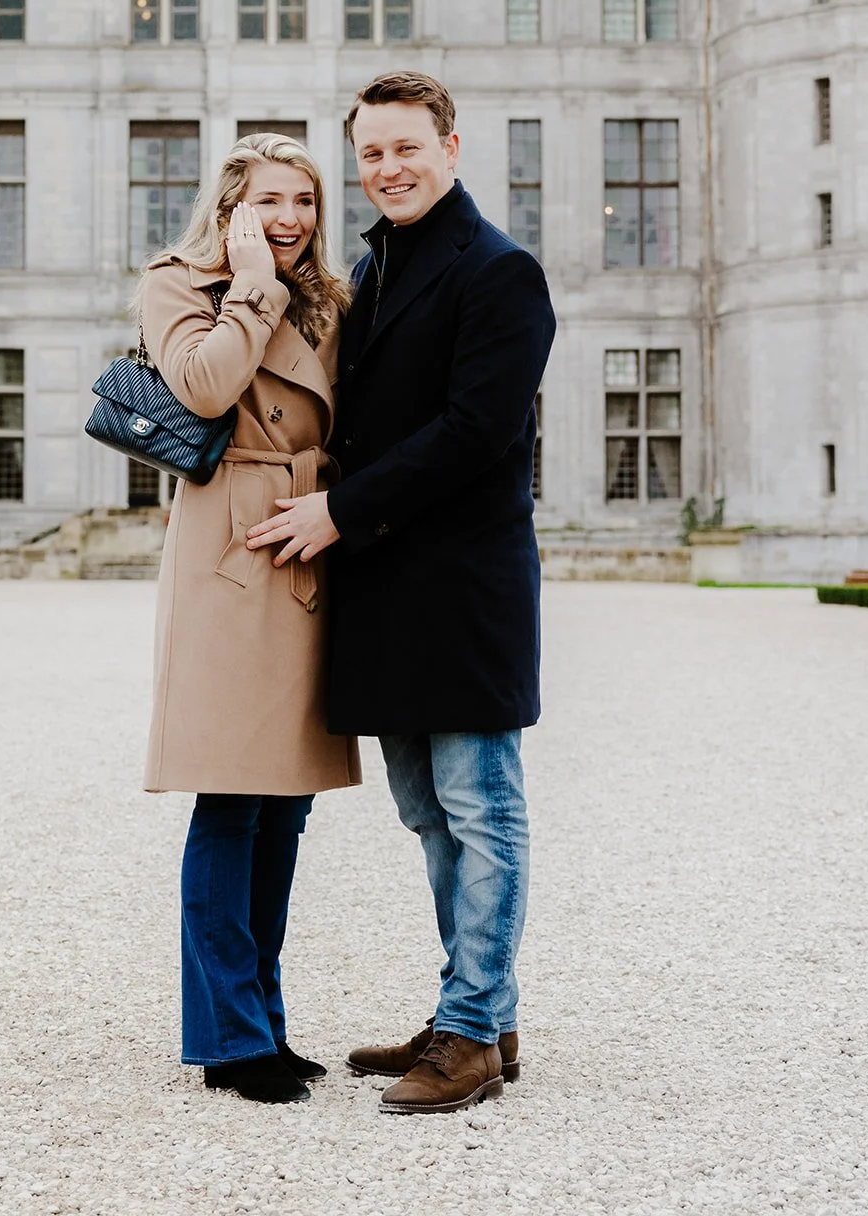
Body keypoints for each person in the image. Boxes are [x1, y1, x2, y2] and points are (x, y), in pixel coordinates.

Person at [246, 73, 556, 1115]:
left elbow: (476, 433)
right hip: (389, 585)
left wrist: (337, 511)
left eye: (404, 148)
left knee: (480, 808)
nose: (386, 168)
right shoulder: (376, 268)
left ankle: (470, 1031)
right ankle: (478, 1007)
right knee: (428, 812)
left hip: (460, 588)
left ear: (451, 146)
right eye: (369, 154)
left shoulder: (500, 272)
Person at [139, 132, 361, 1106]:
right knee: (231, 797)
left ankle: (261, 1017)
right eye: (272, 200)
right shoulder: (178, 283)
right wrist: (249, 280)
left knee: (286, 803)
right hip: (233, 556)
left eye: (306, 202)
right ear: (233, 205)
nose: (292, 219)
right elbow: (201, 386)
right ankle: (228, 1039)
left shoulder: (330, 300)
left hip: (310, 542)